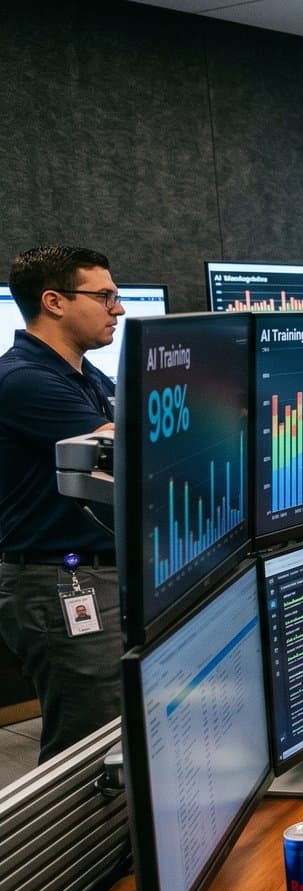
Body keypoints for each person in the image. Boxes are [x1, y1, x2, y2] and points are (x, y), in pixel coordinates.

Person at [0, 246, 126, 762]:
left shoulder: (85, 373)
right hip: (62, 579)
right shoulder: (26, 380)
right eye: (104, 296)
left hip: (98, 574)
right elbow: (127, 446)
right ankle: (70, 845)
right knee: (90, 747)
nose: (117, 309)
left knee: (121, 734)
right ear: (53, 301)